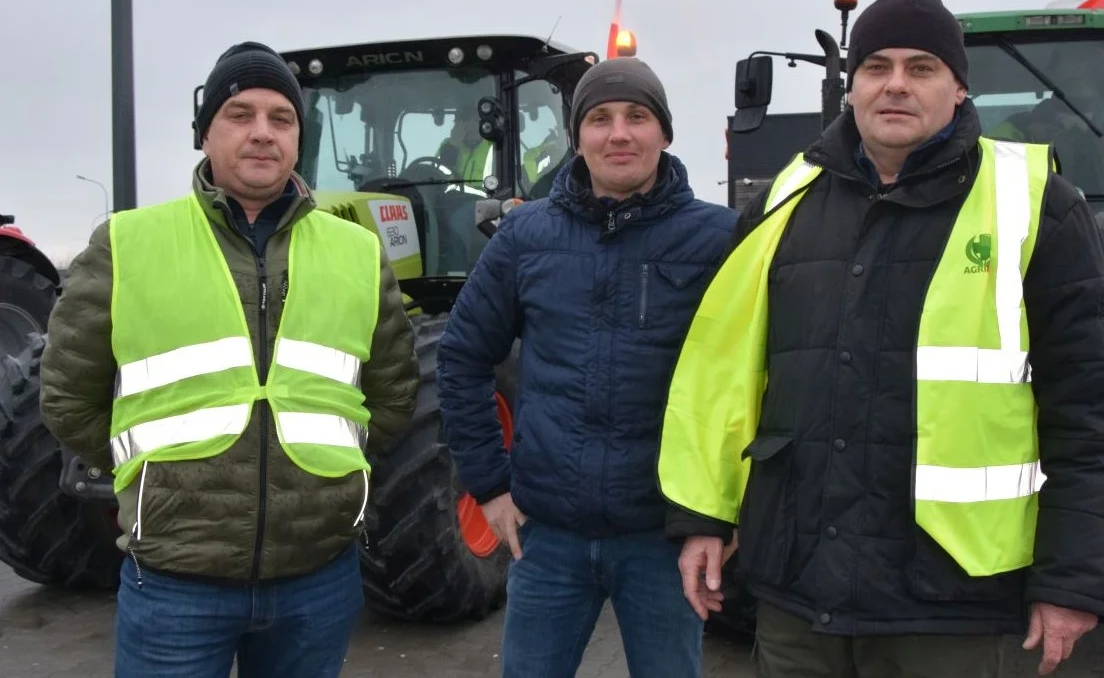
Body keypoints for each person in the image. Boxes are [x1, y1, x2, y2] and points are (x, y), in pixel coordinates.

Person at [658, 0, 1104, 678]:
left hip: (954, 609)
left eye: (921, 68)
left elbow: (1093, 413)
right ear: (851, 88)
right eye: (877, 67)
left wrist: (1073, 581)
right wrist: (704, 516)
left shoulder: (1037, 208)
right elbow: (725, 375)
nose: (896, 86)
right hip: (804, 600)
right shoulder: (785, 200)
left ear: (959, 89)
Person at [39, 41, 421, 678]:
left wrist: (327, 480)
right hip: (176, 581)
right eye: (240, 114)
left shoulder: (358, 251)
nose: (262, 134)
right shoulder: (129, 244)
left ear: (299, 138)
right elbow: (68, 396)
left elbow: (393, 393)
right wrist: (158, 472)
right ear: (205, 133)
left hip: (317, 578)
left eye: (281, 118)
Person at [436, 57, 736, 677]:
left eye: (637, 116)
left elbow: (745, 382)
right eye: (600, 118)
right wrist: (489, 483)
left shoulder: (717, 240)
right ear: (578, 136)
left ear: (665, 133)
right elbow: (463, 353)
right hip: (549, 540)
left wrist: (718, 515)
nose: (618, 133)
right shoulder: (525, 236)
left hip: (663, 538)